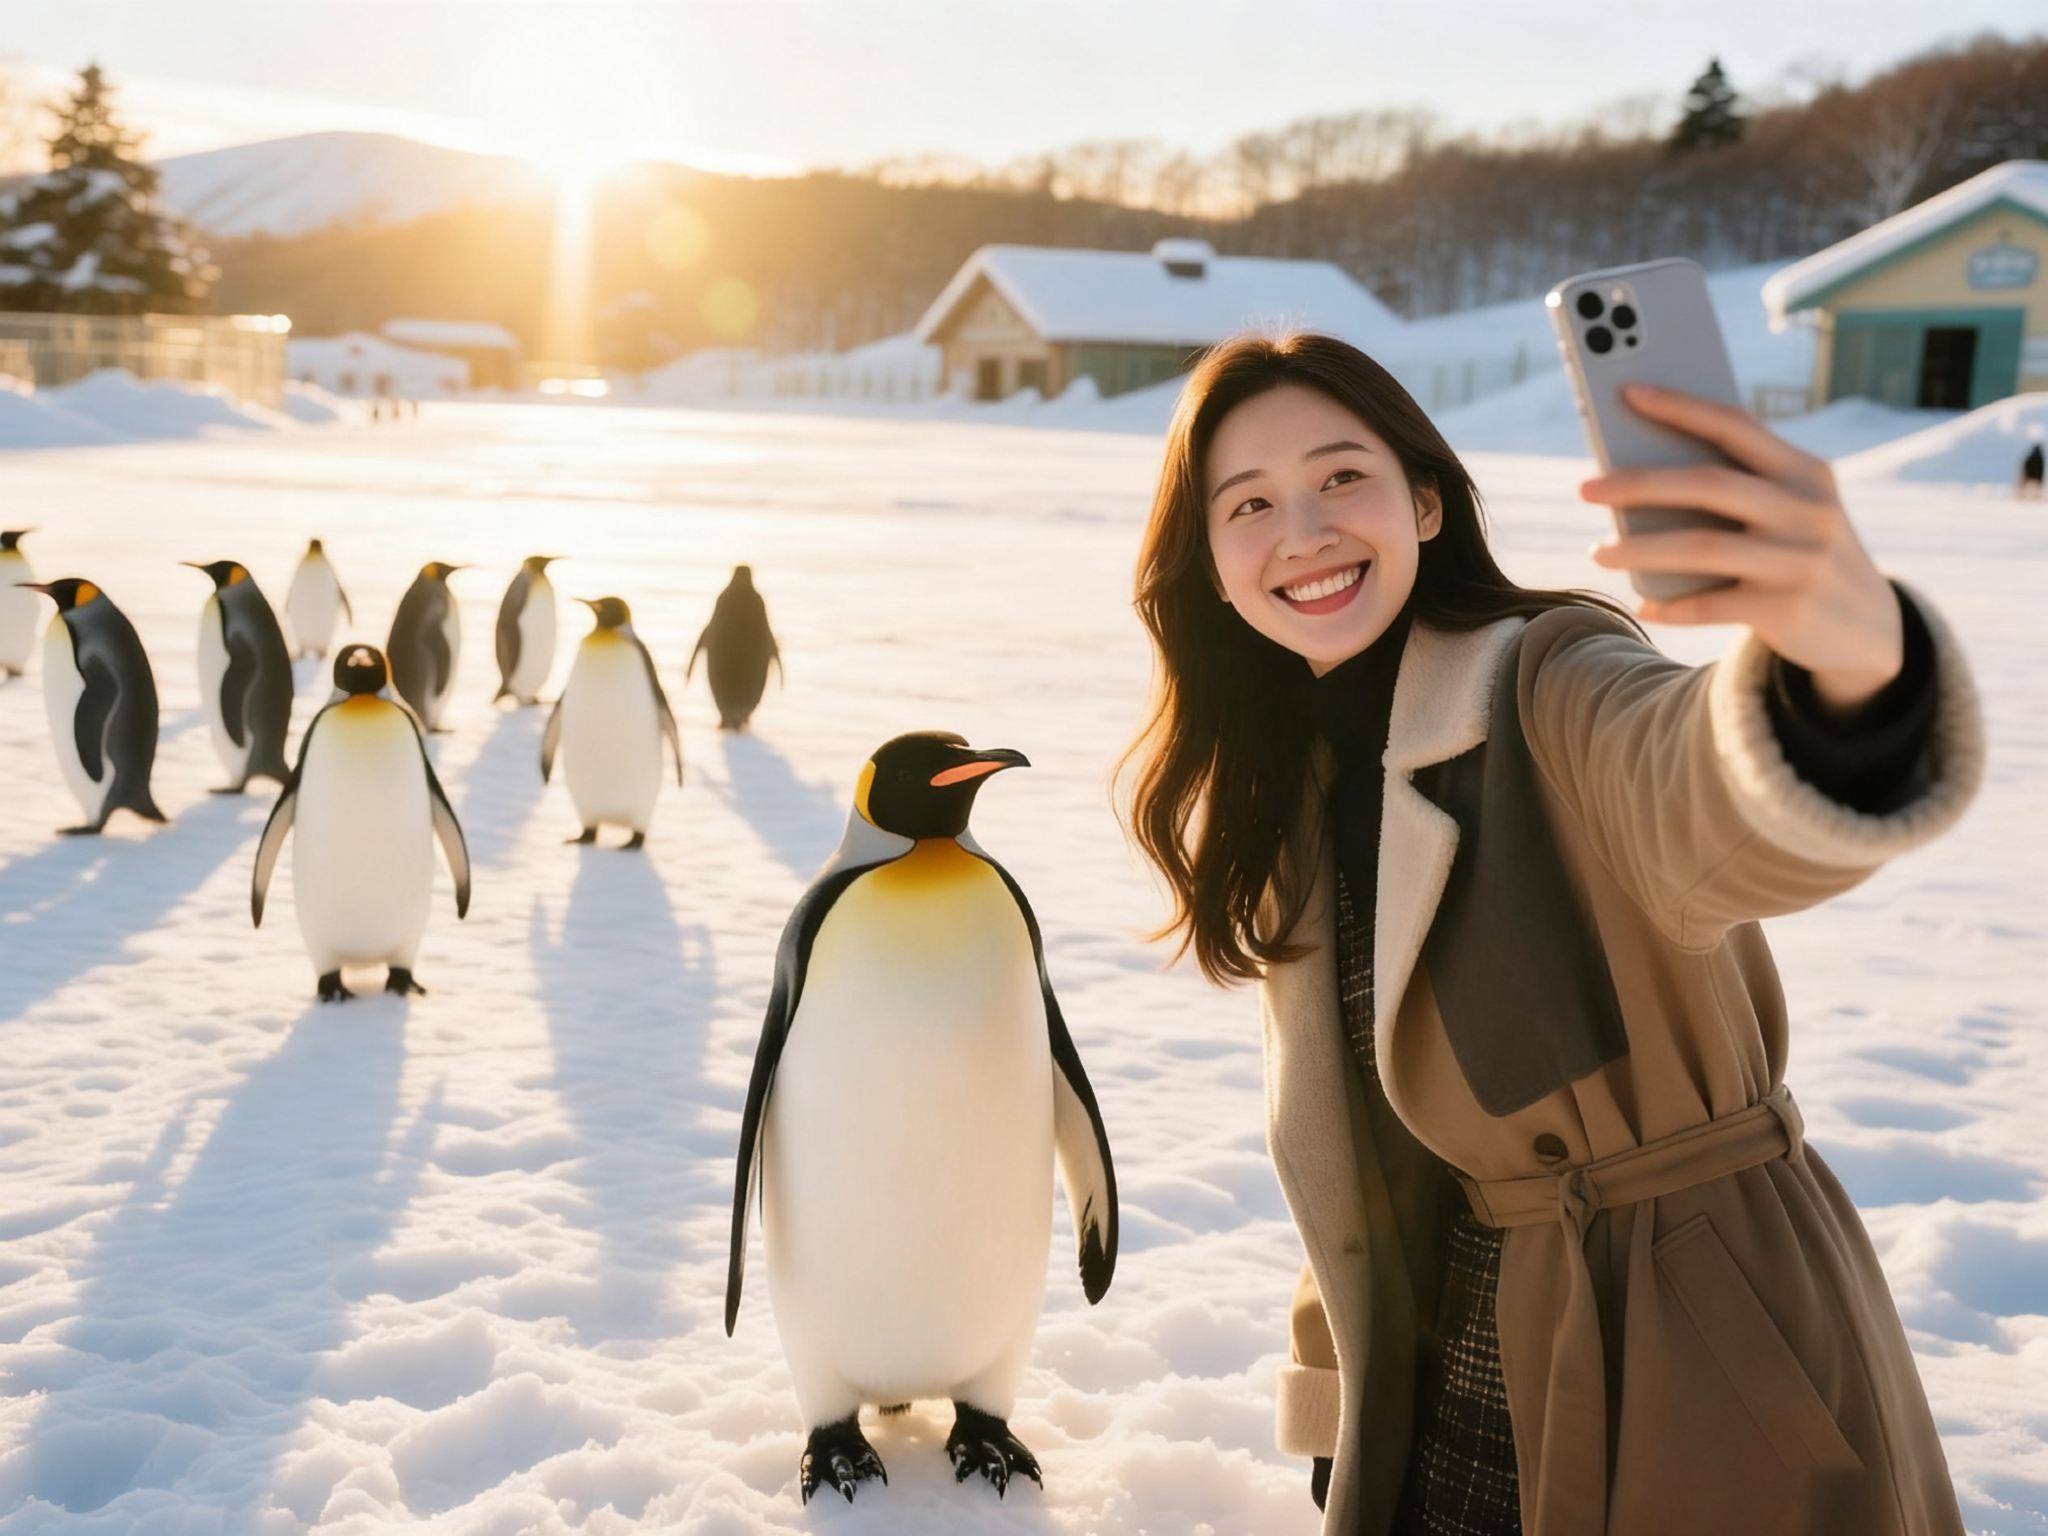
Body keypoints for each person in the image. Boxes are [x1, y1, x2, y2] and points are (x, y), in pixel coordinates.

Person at [1121, 332, 1983, 1535]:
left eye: (1340, 478)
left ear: (1424, 503)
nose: (1302, 532)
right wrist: (1338, 1395)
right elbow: (1365, 1143)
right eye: (1249, 504)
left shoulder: (1544, 677)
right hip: (1456, 1362)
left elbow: (1703, 790)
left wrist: (1843, 668)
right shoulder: (1298, 795)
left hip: (1693, 1318)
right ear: (1211, 564)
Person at [2019, 431, 2044, 500]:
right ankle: (2034, 497)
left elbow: (2025, 465)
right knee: (2035, 488)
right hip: (2036, 477)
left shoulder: (2031, 457)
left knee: (2031, 488)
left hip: (2030, 476)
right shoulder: (2040, 457)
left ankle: (2025, 496)